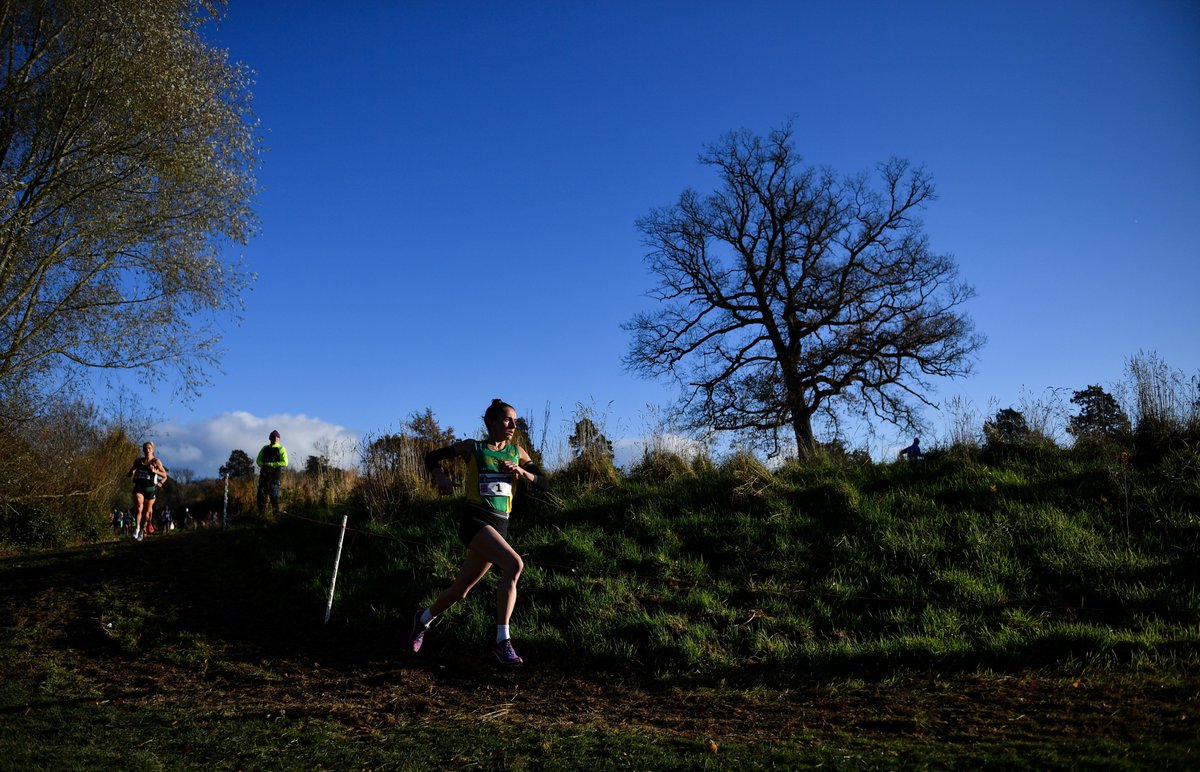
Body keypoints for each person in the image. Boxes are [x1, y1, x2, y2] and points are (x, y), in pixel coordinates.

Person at [409, 398, 549, 665]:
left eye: (515, 421)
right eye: (507, 419)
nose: (513, 425)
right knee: (514, 564)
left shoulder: (517, 452)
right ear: (492, 421)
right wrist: (441, 477)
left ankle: (423, 620)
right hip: (475, 520)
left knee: (461, 590)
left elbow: (545, 483)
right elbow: (431, 458)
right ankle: (502, 642)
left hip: (500, 525)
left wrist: (521, 471)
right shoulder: (473, 448)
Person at [129, 441, 167, 541]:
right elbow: (131, 470)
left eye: (149, 448)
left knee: (146, 513)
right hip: (139, 487)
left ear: (152, 450)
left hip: (150, 489)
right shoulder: (138, 461)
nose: (147, 450)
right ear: (143, 450)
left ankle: (142, 530)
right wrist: (131, 473)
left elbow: (164, 475)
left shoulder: (156, 461)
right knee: (138, 508)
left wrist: (155, 472)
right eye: (145, 448)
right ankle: (136, 529)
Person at [255, 430, 289, 515]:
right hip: (264, 476)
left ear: (279, 439)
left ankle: (276, 513)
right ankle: (261, 514)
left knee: (274, 496)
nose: (275, 439)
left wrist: (271, 464)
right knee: (261, 495)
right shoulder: (264, 448)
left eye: (277, 437)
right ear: (270, 438)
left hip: (275, 477)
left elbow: (285, 462)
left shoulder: (281, 448)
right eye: (273, 437)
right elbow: (258, 460)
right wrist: (263, 465)